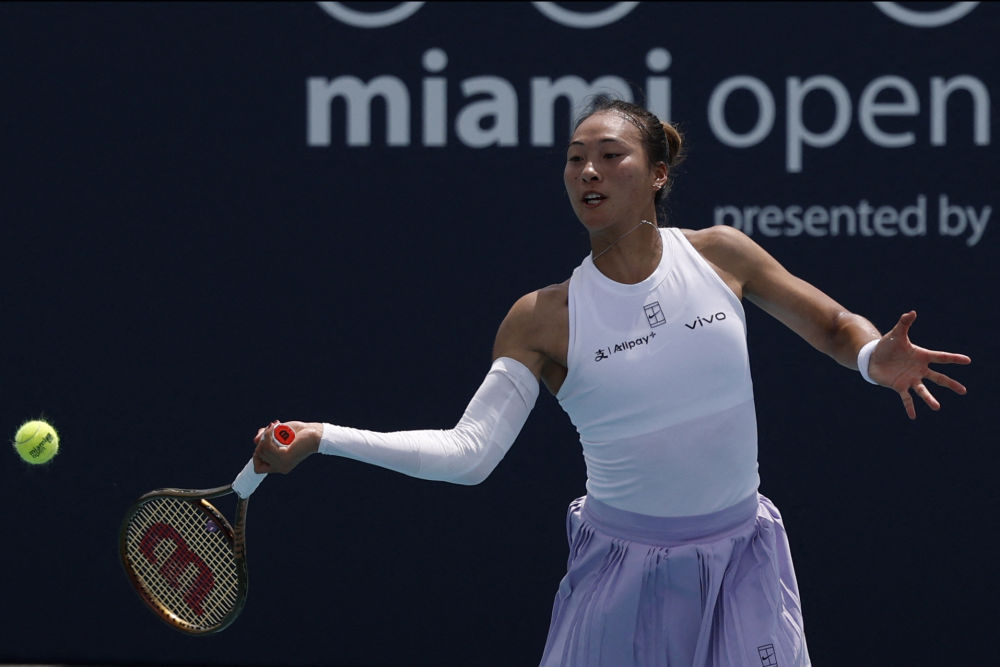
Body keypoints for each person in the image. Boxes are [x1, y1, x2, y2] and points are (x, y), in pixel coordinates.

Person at [250, 97, 970, 666]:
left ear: (658, 174)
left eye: (609, 155)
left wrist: (874, 357)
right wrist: (325, 437)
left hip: (744, 558)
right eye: (574, 160)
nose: (587, 172)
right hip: (622, 573)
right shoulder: (543, 319)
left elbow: (834, 325)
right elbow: (469, 454)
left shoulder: (721, 255)